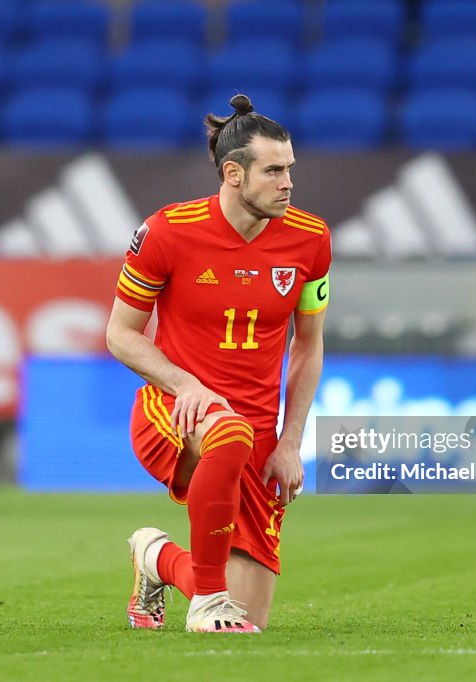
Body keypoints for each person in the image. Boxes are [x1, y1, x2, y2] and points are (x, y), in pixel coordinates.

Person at [106, 94, 331, 633]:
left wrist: (289, 442)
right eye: (273, 171)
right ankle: (205, 599)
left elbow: (309, 345)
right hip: (175, 414)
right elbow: (120, 334)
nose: (287, 182)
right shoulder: (166, 232)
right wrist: (187, 385)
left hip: (257, 435)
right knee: (226, 433)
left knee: (248, 622)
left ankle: (156, 558)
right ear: (233, 173)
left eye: (290, 169)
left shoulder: (311, 239)